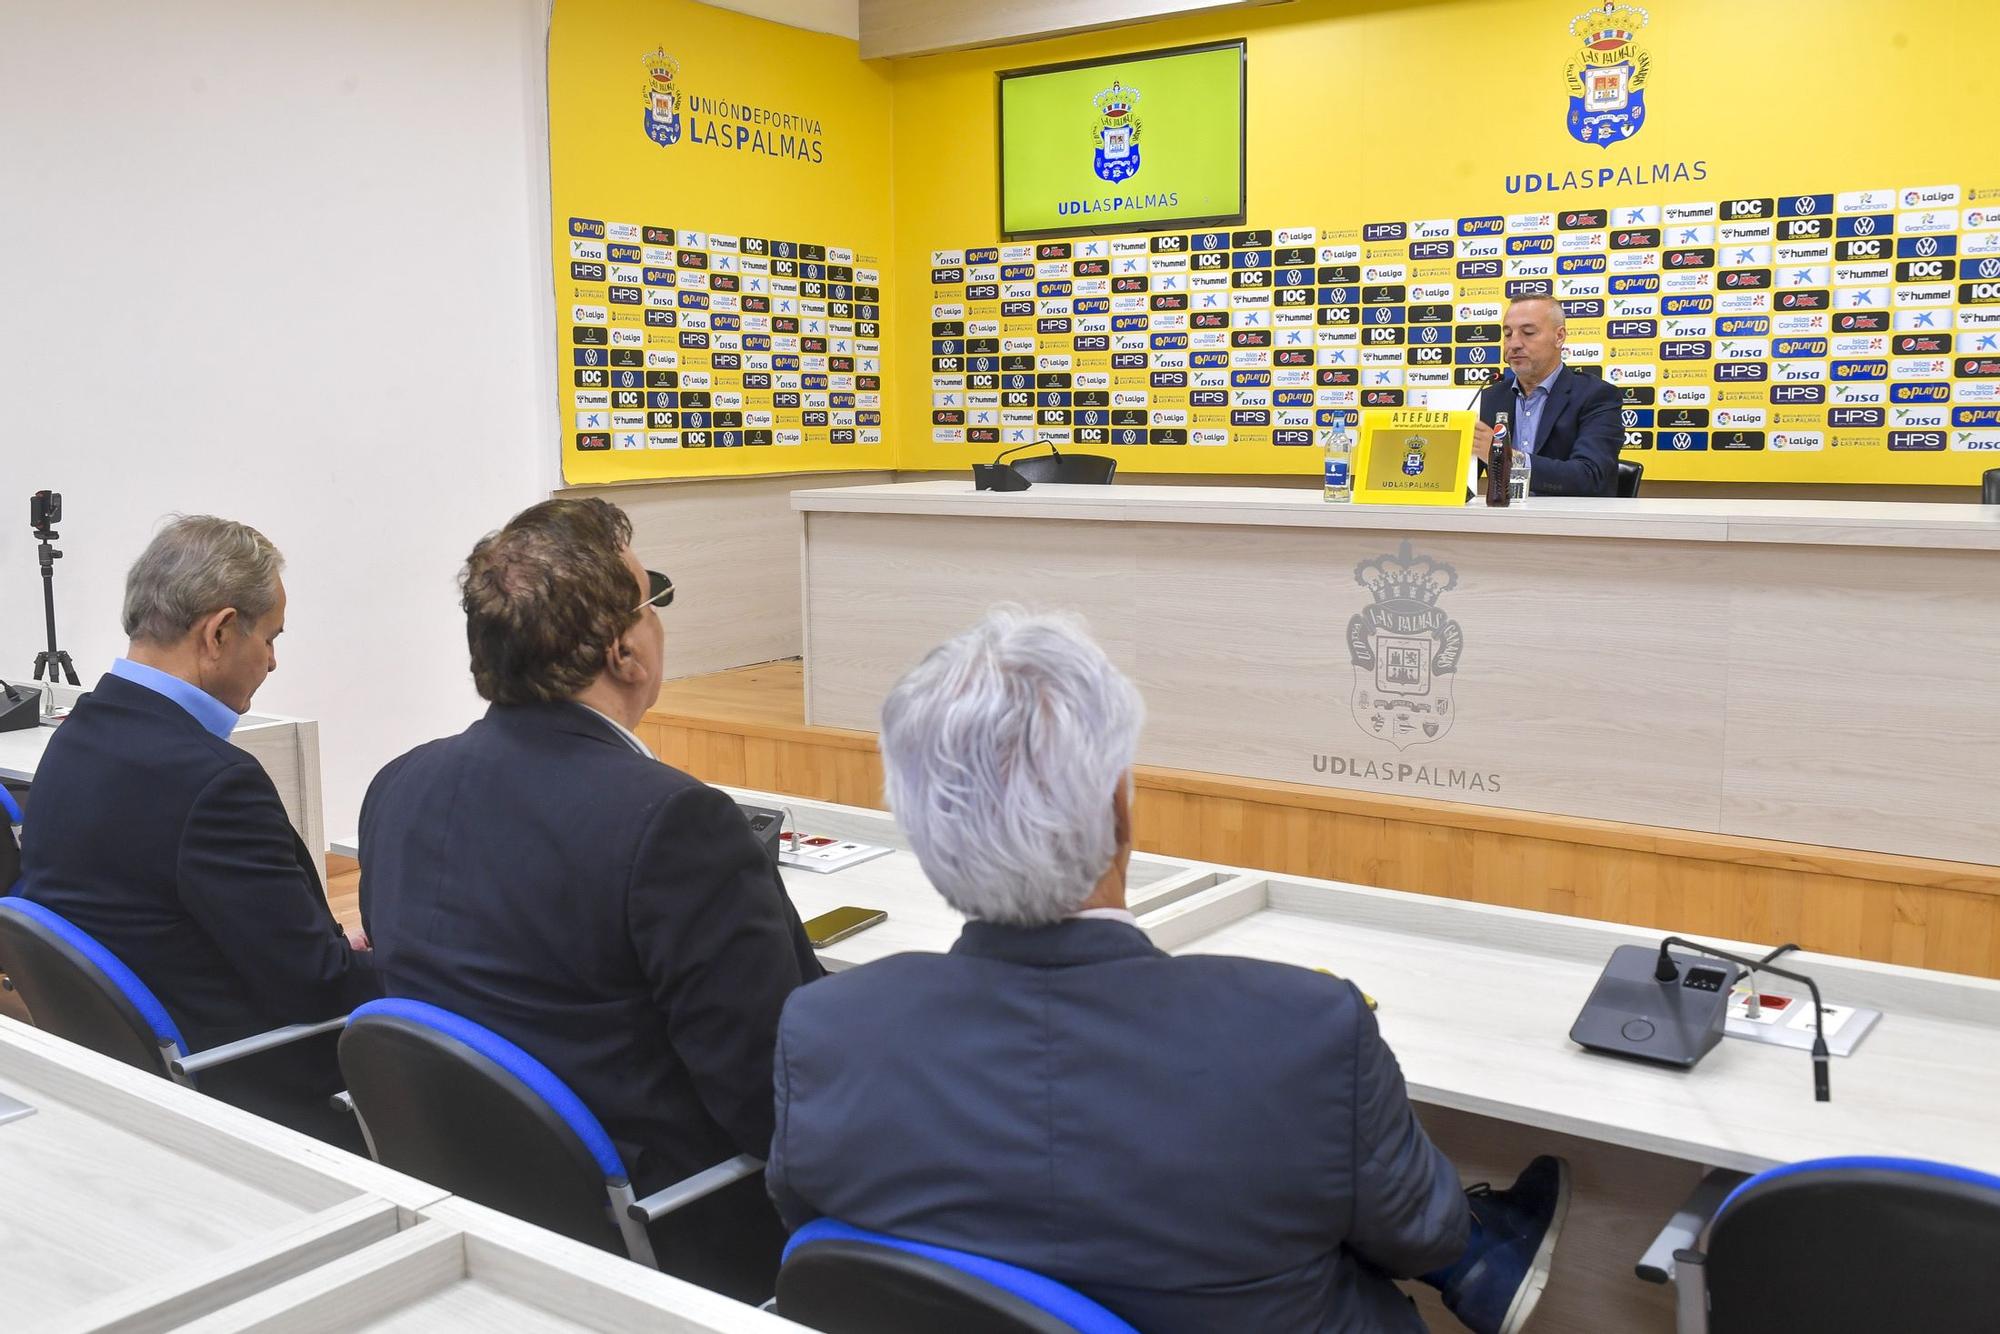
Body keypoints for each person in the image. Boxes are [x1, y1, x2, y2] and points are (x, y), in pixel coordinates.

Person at [768, 608, 1568, 1334]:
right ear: (1122, 811)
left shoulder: (825, 1029)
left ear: (921, 829)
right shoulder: (1304, 1030)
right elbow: (1426, 1233)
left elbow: (809, 1220)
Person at [359, 497, 821, 1301]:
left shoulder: (398, 786)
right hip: (678, 1237)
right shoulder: (674, 823)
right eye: (654, 600)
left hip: (493, 1217)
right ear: (624, 653)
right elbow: (773, 1099)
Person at [14, 516, 377, 1146]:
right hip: (248, 1093)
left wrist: (316, 938)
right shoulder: (215, 783)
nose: (272, 660)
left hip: (126, 1071)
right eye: (269, 638)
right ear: (218, 631)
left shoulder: (78, 735)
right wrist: (426, 957)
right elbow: (320, 990)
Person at [1472, 295, 1623, 496]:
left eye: (1528, 332)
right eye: (1508, 334)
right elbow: (1463, 480)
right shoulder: (1489, 398)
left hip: (1567, 523)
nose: (1514, 344)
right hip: (1502, 521)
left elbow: (1590, 476)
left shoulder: (1596, 395)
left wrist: (1506, 458)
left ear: (1559, 337)